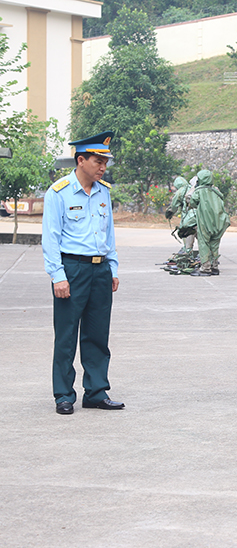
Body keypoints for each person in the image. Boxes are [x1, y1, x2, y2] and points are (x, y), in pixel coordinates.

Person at [41, 131, 124, 415]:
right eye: (98, 161)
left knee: (97, 334)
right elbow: (50, 239)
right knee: (66, 335)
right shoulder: (58, 193)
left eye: (105, 162)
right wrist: (58, 275)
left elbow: (108, 233)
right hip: (72, 269)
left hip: (100, 269)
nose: (103, 167)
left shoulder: (103, 192)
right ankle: (64, 394)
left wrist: (111, 267)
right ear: (81, 160)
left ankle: (96, 391)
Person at [189, 169, 229, 276]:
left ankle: (205, 268)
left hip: (205, 222)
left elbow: (192, 202)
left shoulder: (199, 191)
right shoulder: (217, 191)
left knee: (204, 243)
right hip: (220, 222)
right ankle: (214, 266)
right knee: (214, 245)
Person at [165, 175, 196, 254]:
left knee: (186, 231)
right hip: (202, 216)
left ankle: (188, 250)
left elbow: (173, 206)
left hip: (190, 216)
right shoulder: (195, 188)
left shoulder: (181, 191)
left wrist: (169, 213)